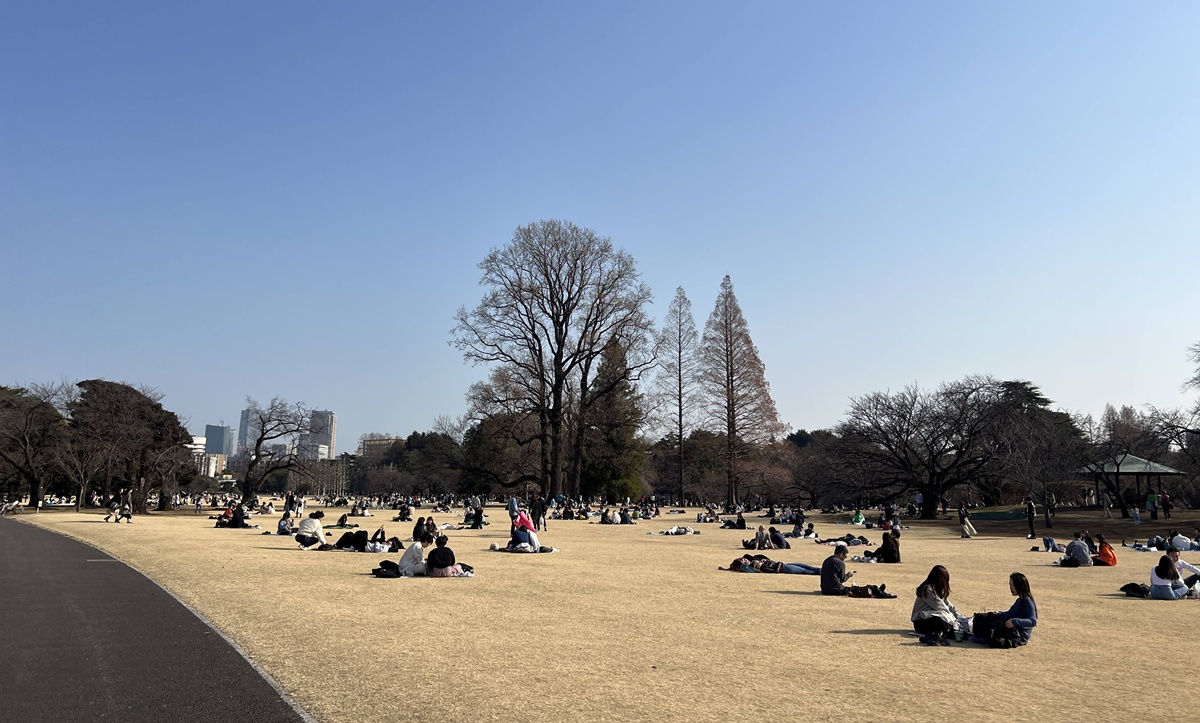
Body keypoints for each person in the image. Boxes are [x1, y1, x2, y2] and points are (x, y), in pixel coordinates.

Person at [911, 565, 961, 645]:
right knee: (940, 620)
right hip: (920, 622)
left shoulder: (938, 590)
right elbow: (939, 606)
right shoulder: (926, 589)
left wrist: (959, 616)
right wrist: (953, 619)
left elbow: (948, 605)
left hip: (929, 617)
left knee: (947, 621)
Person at [725, 555, 820, 575]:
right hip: (783, 568)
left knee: (804, 565)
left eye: (745, 559)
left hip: (783, 564)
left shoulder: (755, 562)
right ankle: (822, 572)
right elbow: (773, 570)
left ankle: (821, 570)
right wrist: (762, 564)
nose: (746, 560)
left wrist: (765, 560)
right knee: (805, 571)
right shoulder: (756, 567)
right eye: (744, 561)